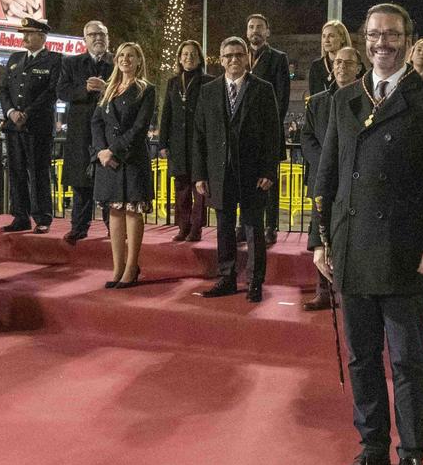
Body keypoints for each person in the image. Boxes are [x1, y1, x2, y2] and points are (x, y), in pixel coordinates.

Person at [312, 3, 423, 465]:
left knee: (407, 360)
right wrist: (320, 238)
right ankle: (373, 447)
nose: (383, 42)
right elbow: (328, 176)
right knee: (360, 358)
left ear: (407, 38)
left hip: (404, 252)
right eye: (375, 34)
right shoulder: (345, 100)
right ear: (363, 39)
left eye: (393, 34)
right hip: (353, 249)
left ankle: (412, 455)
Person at [193, 36, 282, 302]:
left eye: (239, 55)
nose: (234, 59)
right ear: (220, 60)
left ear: (247, 58)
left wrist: (269, 170)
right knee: (224, 227)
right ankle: (227, 277)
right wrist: (199, 174)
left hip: (254, 173)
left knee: (254, 228)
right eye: (228, 55)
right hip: (219, 173)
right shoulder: (208, 91)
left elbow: (273, 133)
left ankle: (255, 281)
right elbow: (199, 135)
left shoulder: (263, 89)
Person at [301, 43, 364, 311]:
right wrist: (324, 162)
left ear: (359, 69)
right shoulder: (317, 102)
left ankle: (352, 291)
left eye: (348, 63)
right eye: (338, 62)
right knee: (321, 234)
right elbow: (306, 138)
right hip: (323, 179)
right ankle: (323, 290)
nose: (341, 67)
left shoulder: (367, 101)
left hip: (354, 179)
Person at [93, 42, 157, 289]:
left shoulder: (146, 90)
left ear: (139, 61)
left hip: (131, 159)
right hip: (108, 162)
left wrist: (114, 149)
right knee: (114, 212)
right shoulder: (108, 89)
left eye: (131, 56)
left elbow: (140, 127)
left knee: (132, 210)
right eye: (121, 55)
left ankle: (132, 267)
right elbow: (96, 122)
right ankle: (117, 267)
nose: (125, 59)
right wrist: (101, 151)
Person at [0, 17, 62, 234]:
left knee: (38, 172)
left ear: (42, 36)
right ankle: (20, 216)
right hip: (14, 126)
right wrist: (11, 112)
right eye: (23, 33)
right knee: (16, 172)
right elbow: (4, 89)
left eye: (29, 33)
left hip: (38, 126)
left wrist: (27, 113)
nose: (24, 37)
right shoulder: (15, 58)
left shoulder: (54, 60)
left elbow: (52, 92)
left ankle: (42, 217)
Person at [59, 20, 113, 241]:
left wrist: (106, 88)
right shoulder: (71, 63)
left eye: (102, 34)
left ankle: (114, 228)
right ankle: (79, 228)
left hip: (109, 131)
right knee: (81, 183)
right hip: (81, 132)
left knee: (110, 181)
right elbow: (61, 91)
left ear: (108, 38)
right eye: (93, 34)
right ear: (85, 39)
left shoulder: (117, 62)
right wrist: (84, 89)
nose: (98, 38)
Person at [246, 14, 292, 246]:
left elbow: (282, 98)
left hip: (268, 133)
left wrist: (270, 128)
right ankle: (244, 226)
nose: (255, 31)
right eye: (251, 27)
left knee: (269, 181)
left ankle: (271, 226)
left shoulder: (278, 58)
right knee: (245, 181)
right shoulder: (240, 57)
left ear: (267, 32)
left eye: (259, 27)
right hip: (244, 135)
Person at [159, 40, 212, 242]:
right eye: (185, 54)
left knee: (199, 188)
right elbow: (167, 114)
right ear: (180, 58)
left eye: (193, 54)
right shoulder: (173, 82)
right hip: (178, 144)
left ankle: (196, 229)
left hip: (199, 143)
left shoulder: (208, 81)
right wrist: (163, 143)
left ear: (199, 59)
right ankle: (183, 227)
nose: (189, 57)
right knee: (181, 189)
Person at [307, 21, 353, 98]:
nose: (326, 40)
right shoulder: (316, 66)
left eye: (331, 36)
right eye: (324, 36)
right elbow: (314, 100)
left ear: (342, 39)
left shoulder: (354, 64)